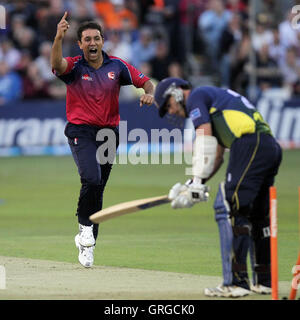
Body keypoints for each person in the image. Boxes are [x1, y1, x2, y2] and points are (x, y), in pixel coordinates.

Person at [154, 77, 282, 298]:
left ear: (176, 93)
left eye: (169, 105)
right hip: (268, 147)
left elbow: (203, 137)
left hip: (250, 143)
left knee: (229, 204)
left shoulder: (196, 96)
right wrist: (194, 183)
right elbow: (218, 156)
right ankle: (264, 281)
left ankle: (235, 283)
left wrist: (195, 180)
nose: (171, 111)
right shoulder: (212, 101)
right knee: (257, 215)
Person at [51, 12, 154, 268]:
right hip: (80, 131)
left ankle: (88, 244)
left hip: (109, 134)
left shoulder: (117, 66)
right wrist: (58, 37)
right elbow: (56, 64)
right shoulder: (74, 66)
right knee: (92, 179)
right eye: (87, 40)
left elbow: (146, 82)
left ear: (102, 40)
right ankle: (85, 231)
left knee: (98, 189)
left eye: (96, 38)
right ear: (81, 44)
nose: (92, 43)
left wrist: (149, 94)